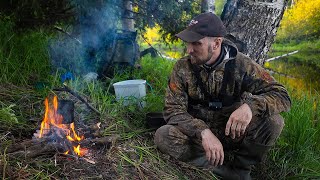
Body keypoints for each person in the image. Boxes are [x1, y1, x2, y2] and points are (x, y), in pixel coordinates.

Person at [154, 12, 291, 180]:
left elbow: (281, 94)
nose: (189, 49)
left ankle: (241, 169)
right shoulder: (182, 68)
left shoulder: (242, 65)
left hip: (233, 132)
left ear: (216, 43)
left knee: (274, 122)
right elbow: (172, 110)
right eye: (188, 43)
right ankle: (219, 169)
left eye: (196, 43)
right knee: (163, 135)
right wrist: (202, 131)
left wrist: (250, 106)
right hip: (199, 139)